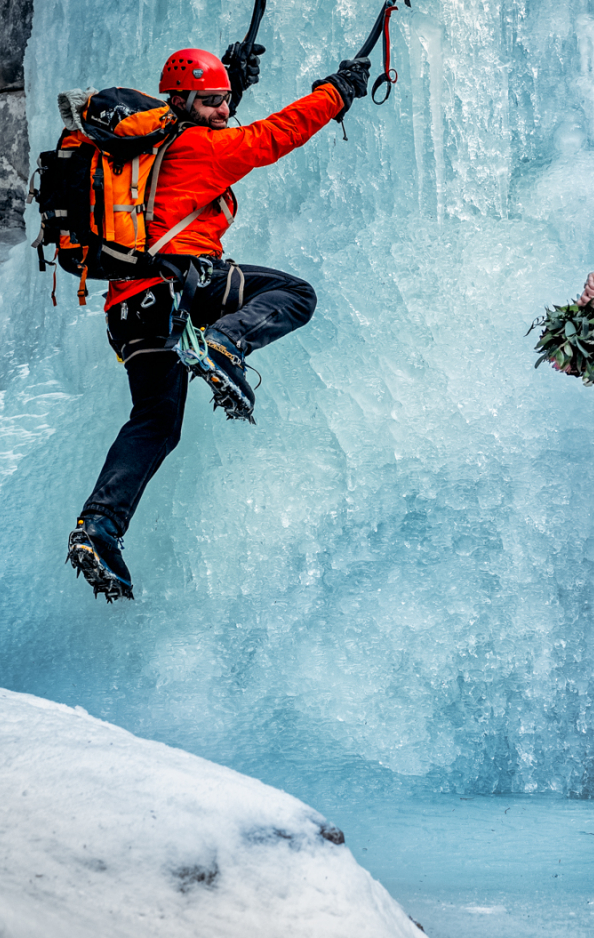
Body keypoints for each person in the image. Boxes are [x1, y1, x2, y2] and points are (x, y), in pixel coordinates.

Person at [66, 47, 372, 602]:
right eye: (212, 101)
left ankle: (99, 528)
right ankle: (226, 345)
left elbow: (208, 139)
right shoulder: (195, 145)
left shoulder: (146, 146)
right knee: (295, 294)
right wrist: (335, 94)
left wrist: (230, 83)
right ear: (181, 103)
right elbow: (269, 138)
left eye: (226, 100)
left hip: (130, 310)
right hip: (183, 289)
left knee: (157, 423)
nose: (222, 109)